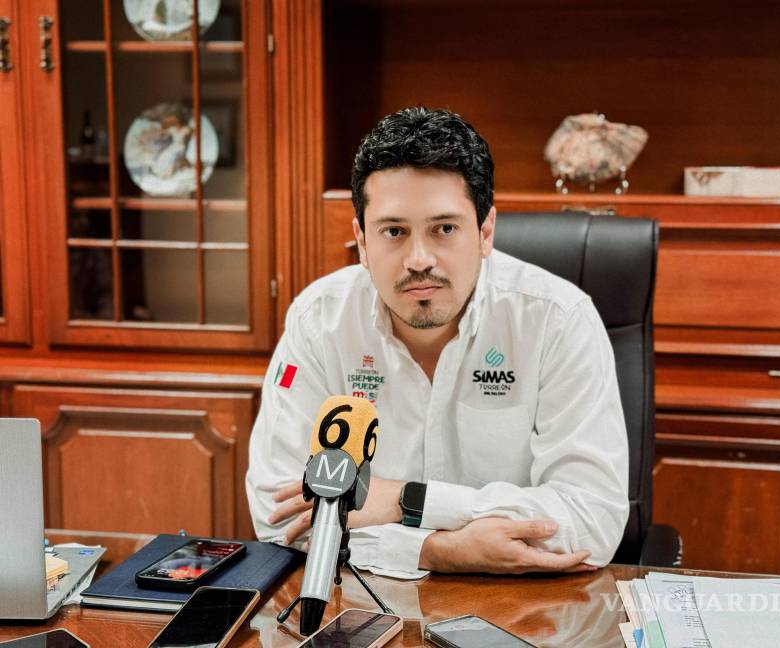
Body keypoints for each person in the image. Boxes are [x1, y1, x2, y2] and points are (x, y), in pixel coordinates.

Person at [246, 107, 629, 579]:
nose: (419, 259)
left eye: (444, 229)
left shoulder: (557, 320)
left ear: (485, 232)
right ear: (362, 240)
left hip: (524, 602)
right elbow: (277, 511)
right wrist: (435, 549)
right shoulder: (319, 321)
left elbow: (592, 520)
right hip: (367, 598)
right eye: (394, 232)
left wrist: (406, 499)